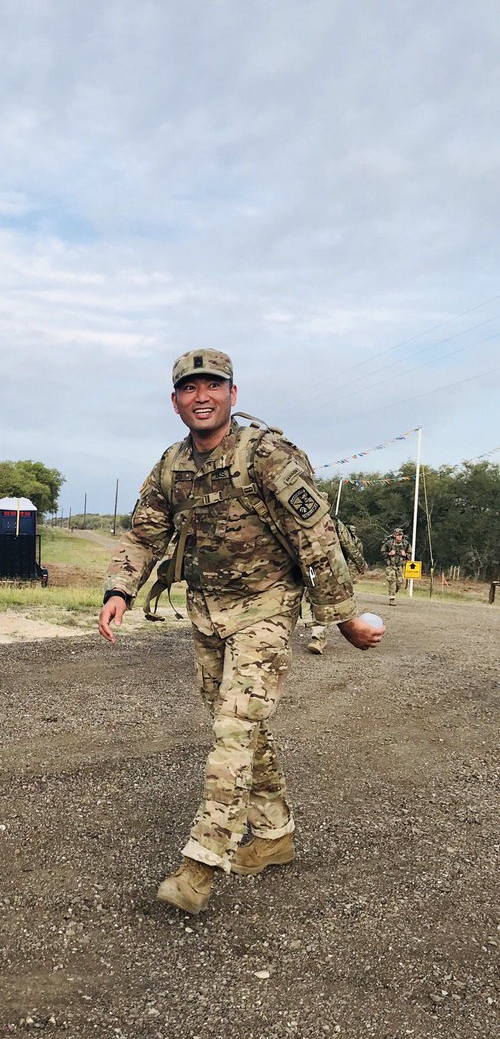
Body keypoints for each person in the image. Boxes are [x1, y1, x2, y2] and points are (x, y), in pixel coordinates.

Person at [98, 347, 384, 915]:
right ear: (175, 401)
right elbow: (144, 532)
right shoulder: (173, 465)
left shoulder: (267, 455)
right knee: (239, 725)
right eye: (189, 388)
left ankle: (198, 866)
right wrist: (118, 589)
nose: (201, 396)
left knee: (232, 730)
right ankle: (274, 832)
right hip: (208, 610)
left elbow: (316, 537)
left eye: (213, 386)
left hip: (268, 608)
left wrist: (343, 617)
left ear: (233, 394)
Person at [380, 527, 410, 605]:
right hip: (390, 565)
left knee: (400, 582)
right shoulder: (389, 543)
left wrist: (405, 554)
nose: (399, 537)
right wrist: (389, 554)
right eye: (397, 535)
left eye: (400, 535)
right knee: (392, 580)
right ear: (394, 535)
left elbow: (410, 554)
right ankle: (392, 598)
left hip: (400, 566)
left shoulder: (405, 544)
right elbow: (382, 553)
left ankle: (393, 591)